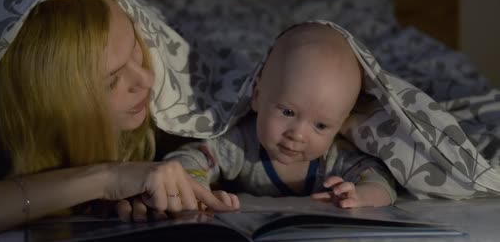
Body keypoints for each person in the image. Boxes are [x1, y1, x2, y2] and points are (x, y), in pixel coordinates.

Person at [0, 0, 238, 242]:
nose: (147, 78)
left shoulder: (169, 105)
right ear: (52, 102)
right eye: (111, 81)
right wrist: (104, 179)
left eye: (136, 51)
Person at [164, 22, 397, 208]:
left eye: (321, 126)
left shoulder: (334, 157)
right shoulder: (242, 145)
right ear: (257, 95)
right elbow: (191, 157)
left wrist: (363, 196)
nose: (297, 134)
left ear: (340, 125)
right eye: (288, 112)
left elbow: (380, 179)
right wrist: (195, 183)